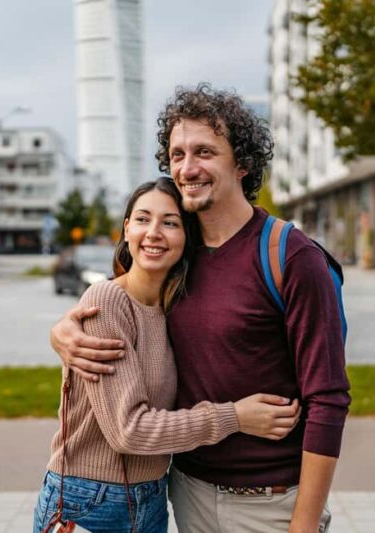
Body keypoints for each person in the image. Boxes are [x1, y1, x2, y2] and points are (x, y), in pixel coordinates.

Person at [51, 84, 351, 533]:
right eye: (176, 154)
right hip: (183, 494)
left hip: (268, 505)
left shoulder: (289, 256)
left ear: (242, 163)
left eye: (204, 152)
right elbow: (122, 301)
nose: (187, 168)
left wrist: (304, 524)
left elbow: (328, 399)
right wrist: (60, 332)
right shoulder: (178, 250)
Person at [34, 178, 301, 533]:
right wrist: (234, 417)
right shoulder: (108, 300)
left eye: (170, 222)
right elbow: (129, 431)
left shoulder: (172, 307)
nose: (154, 232)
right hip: (90, 502)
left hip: (152, 497)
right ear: (127, 229)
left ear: (186, 237)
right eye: (143, 219)